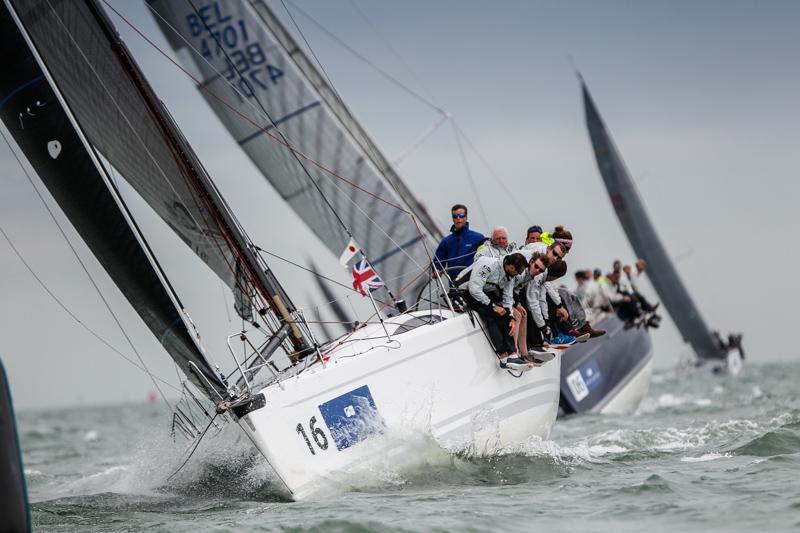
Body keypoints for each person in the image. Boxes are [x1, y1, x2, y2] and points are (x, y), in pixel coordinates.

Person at [461, 253, 530, 370]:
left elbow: (508, 298)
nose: (518, 276)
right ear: (512, 267)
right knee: (493, 315)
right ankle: (503, 357)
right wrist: (492, 305)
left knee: (505, 316)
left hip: (483, 292)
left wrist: (511, 317)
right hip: (465, 290)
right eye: (518, 272)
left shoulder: (509, 275)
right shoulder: (489, 265)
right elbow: (474, 289)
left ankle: (512, 355)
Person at [433, 204, 485, 279]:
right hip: (454, 287)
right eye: (455, 216)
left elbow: (485, 260)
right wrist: (436, 270)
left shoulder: (478, 238)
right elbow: (438, 262)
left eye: (461, 215)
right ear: (452, 219)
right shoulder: (446, 241)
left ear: (466, 217)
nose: (458, 218)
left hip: (472, 285)